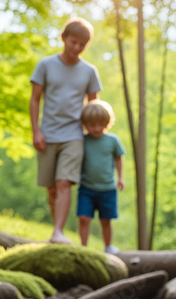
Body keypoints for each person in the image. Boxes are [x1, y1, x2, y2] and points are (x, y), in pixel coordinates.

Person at [30, 18, 103, 244]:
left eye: (82, 44)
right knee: (52, 187)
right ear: (64, 38)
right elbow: (34, 99)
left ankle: (58, 232)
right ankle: (56, 231)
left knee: (64, 182)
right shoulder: (45, 65)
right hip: (48, 133)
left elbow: (94, 107)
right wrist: (36, 132)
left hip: (74, 135)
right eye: (74, 42)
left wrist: (94, 136)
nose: (77, 48)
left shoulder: (90, 72)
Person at [77, 99, 125, 254]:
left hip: (107, 188)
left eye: (100, 124)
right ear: (85, 124)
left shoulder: (112, 140)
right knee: (84, 218)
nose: (97, 129)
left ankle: (108, 246)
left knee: (106, 220)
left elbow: (118, 159)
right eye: (92, 125)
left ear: (107, 122)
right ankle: (84, 247)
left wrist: (121, 178)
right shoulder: (83, 141)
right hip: (86, 188)